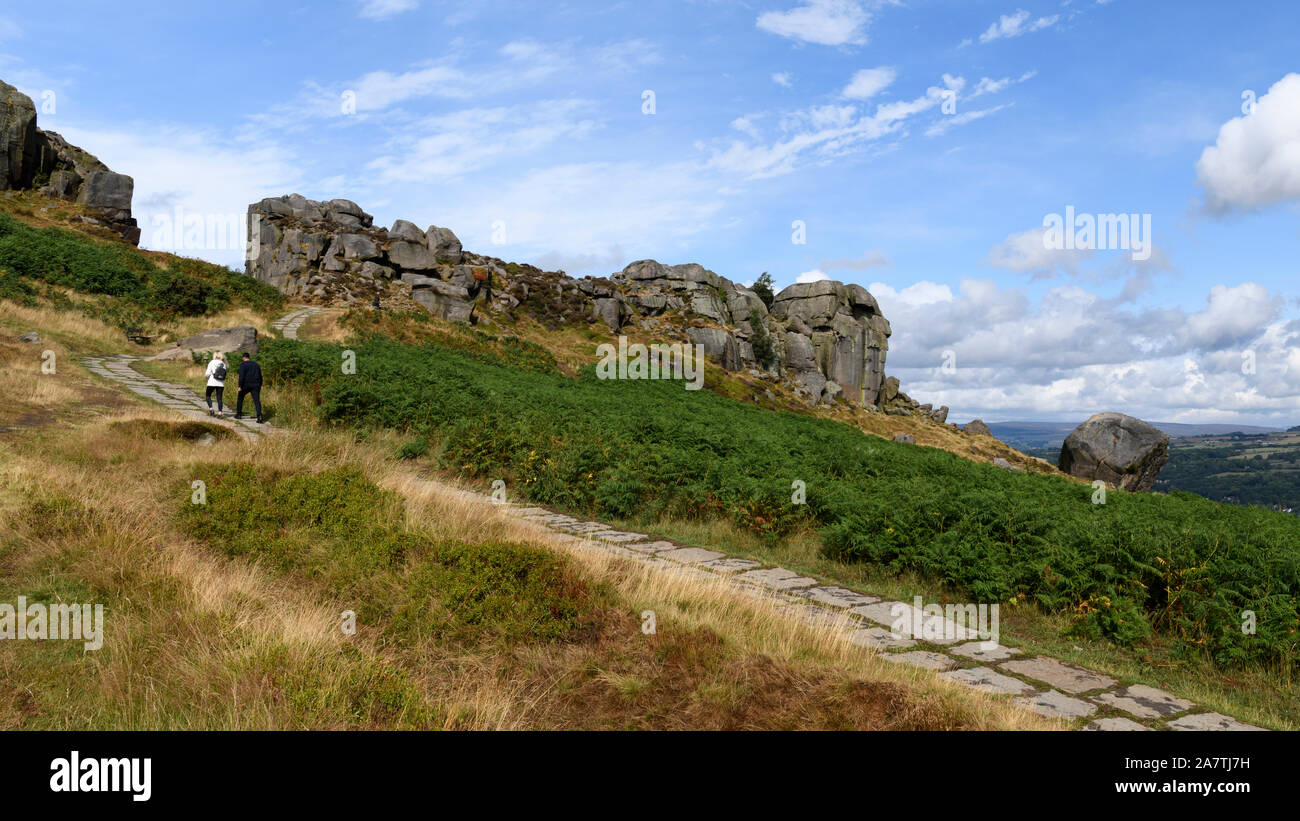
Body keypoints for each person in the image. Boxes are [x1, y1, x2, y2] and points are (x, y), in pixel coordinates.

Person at [234, 351, 264, 423]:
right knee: (256, 401)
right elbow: (260, 376)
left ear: (243, 358)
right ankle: (259, 416)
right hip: (256, 385)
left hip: (245, 385)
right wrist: (260, 384)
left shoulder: (243, 365)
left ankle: (239, 414)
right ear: (249, 357)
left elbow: (241, 376)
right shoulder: (256, 365)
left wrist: (239, 386)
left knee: (240, 398)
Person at [204, 352, 228, 417]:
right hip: (221, 383)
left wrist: (207, 377)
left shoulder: (212, 362)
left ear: (214, 356)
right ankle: (220, 413)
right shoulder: (224, 364)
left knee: (208, 395)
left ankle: (211, 409)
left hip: (212, 382)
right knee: (219, 398)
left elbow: (207, 373)